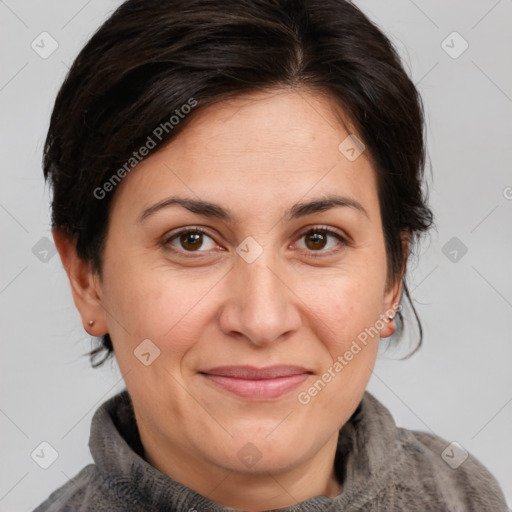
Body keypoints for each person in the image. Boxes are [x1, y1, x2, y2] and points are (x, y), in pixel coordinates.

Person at [34, 0, 508, 510]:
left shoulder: (464, 495)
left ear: (392, 280)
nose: (261, 321)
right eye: (191, 240)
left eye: (318, 239)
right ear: (87, 277)